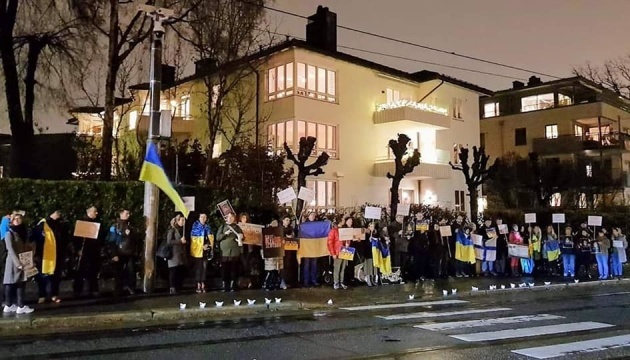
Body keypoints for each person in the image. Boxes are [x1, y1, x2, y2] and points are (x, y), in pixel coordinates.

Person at [32, 210, 67, 304]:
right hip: (43, 255)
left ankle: (54, 295)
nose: (59, 213)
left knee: (56, 277)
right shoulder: (42, 224)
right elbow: (34, 238)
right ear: (52, 213)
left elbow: (65, 239)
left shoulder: (61, 224)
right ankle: (42, 295)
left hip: (58, 254)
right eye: (57, 212)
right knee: (42, 276)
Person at [3, 214, 34, 314]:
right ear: (11, 221)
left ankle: (11, 305)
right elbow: (10, 249)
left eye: (19, 218)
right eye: (14, 219)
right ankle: (17, 305)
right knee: (11, 282)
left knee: (19, 281)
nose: (17, 220)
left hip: (24, 259)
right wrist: (17, 263)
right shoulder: (9, 233)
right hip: (14, 261)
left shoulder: (24, 232)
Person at [73, 206, 103, 298]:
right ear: (89, 212)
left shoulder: (97, 223)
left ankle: (93, 289)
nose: (96, 213)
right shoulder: (82, 222)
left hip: (94, 250)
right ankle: (77, 290)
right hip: (84, 250)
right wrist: (77, 250)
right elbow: (76, 238)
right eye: (95, 211)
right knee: (80, 271)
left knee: (93, 270)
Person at [107, 209, 137, 296]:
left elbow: (136, 238)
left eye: (129, 213)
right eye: (126, 213)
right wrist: (114, 254)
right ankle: (118, 290)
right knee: (118, 272)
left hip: (130, 252)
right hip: (119, 252)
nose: (129, 215)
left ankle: (131, 288)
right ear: (121, 214)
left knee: (131, 271)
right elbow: (111, 241)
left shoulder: (131, 225)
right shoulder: (115, 226)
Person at [217, 212, 244, 292]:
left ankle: (233, 285)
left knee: (234, 269)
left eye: (232, 217)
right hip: (225, 252)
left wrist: (241, 237)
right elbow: (218, 238)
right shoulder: (222, 227)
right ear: (226, 218)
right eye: (229, 217)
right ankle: (225, 285)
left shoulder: (237, 227)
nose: (230, 218)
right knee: (225, 269)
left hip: (235, 251)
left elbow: (242, 237)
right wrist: (225, 234)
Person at [190, 214, 213, 293]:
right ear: (199, 218)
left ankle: (203, 282)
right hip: (197, 251)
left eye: (205, 217)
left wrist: (208, 245)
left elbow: (211, 238)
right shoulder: (195, 227)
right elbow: (194, 241)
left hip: (206, 251)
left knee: (204, 268)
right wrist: (201, 246)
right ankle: (198, 284)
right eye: (201, 217)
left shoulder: (208, 227)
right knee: (198, 268)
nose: (203, 218)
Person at [167, 215, 187, 294]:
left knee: (179, 271)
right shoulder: (172, 230)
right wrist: (179, 242)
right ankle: (172, 287)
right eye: (182, 220)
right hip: (174, 254)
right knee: (173, 271)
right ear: (177, 221)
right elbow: (169, 242)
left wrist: (185, 242)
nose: (183, 222)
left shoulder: (183, 230)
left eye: (184, 220)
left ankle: (179, 287)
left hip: (181, 254)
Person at [328, 217, 350, 290]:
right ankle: (336, 282)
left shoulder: (344, 230)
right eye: (343, 220)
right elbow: (330, 243)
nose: (344, 221)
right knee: (337, 268)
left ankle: (341, 282)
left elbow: (348, 239)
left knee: (343, 268)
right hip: (337, 252)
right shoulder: (333, 231)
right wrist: (333, 253)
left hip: (344, 251)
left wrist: (347, 243)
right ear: (340, 222)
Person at [302, 212, 320, 287]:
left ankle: (314, 280)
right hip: (307, 248)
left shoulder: (317, 225)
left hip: (314, 248)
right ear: (308, 216)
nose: (312, 216)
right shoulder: (304, 224)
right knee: (307, 265)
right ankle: (306, 281)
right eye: (311, 215)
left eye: (313, 215)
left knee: (314, 265)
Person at [280, 216, 296, 288]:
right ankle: (282, 281)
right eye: (286, 220)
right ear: (283, 221)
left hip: (290, 249)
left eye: (289, 220)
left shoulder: (291, 229)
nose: (288, 221)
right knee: (284, 265)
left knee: (289, 265)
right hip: (283, 250)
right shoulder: (280, 229)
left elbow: (294, 237)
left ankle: (288, 281)